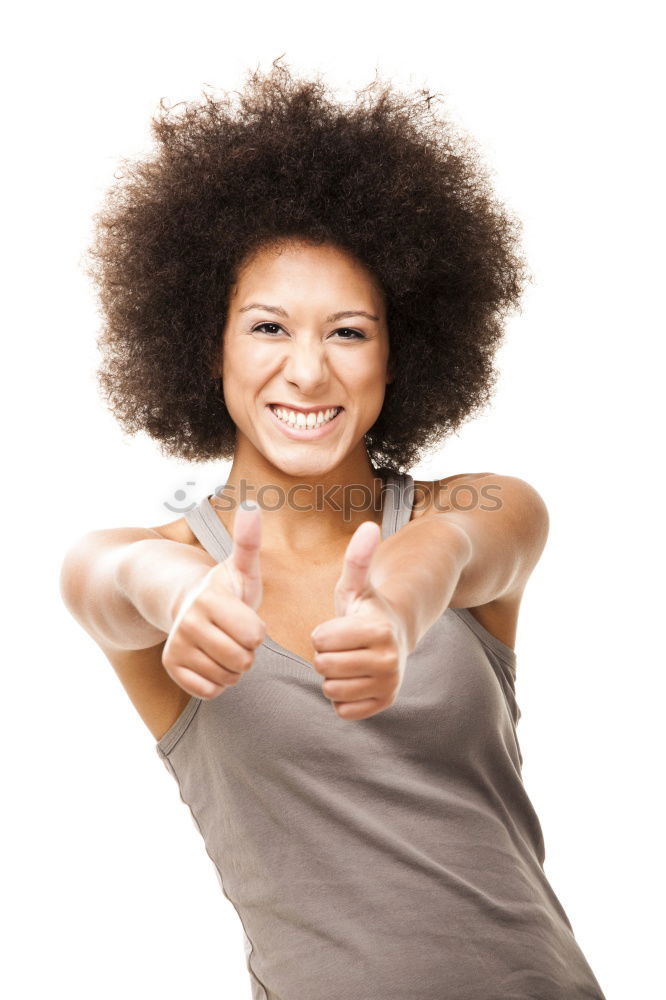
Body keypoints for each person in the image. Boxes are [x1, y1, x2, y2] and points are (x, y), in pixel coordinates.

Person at [60, 59, 607, 1000]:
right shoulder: (159, 564)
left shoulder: (475, 508)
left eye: (348, 332)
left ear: (401, 356)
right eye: (269, 328)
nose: (308, 373)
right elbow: (105, 578)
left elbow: (459, 549)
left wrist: (395, 609)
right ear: (210, 344)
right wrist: (182, 598)